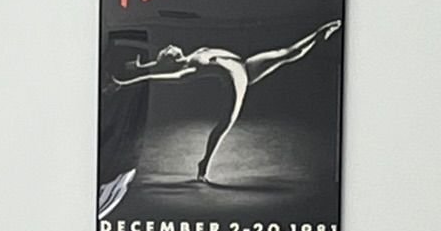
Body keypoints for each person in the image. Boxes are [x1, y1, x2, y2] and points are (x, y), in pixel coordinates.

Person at [109, 20, 341, 182]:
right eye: (167, 51)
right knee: (225, 124)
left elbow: (154, 66)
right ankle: (204, 164)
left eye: (168, 48)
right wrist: (127, 82)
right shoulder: (188, 69)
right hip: (235, 78)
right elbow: (155, 75)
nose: (169, 47)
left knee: (287, 53)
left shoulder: (195, 52)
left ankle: (321, 32)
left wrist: (141, 67)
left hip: (245, 65)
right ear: (171, 59)